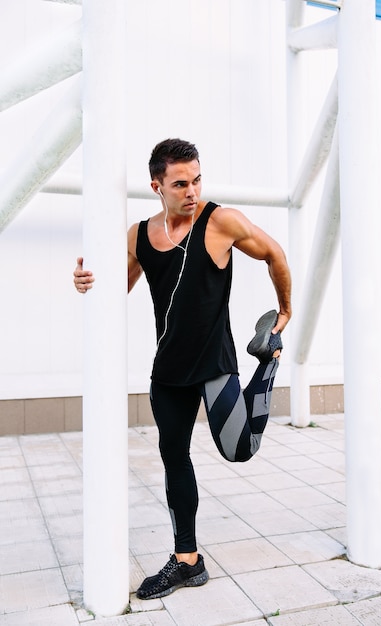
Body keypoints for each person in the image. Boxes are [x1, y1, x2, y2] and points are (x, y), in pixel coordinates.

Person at [74, 138, 291, 600]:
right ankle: (187, 560)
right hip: (168, 372)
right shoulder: (138, 237)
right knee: (175, 460)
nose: (191, 191)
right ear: (157, 186)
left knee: (239, 449)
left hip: (215, 363)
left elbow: (274, 254)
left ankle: (268, 359)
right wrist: (86, 283)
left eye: (196, 180)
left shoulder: (221, 221)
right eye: (179, 183)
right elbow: (114, 292)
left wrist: (284, 311)